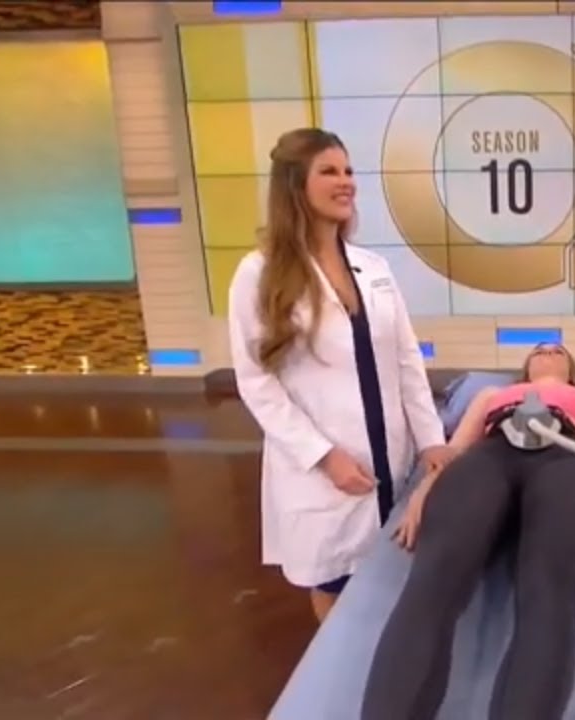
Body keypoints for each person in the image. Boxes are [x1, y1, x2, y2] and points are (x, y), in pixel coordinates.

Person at [227, 128, 453, 623]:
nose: (346, 181)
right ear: (294, 185)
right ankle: (341, 669)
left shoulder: (373, 267)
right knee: (335, 581)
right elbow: (257, 382)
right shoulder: (258, 273)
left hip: (392, 458)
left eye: (348, 170)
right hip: (324, 469)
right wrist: (323, 456)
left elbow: (406, 360)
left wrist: (432, 441)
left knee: (393, 572)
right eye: (329, 171)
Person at [360, 342, 575, 720]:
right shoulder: (491, 394)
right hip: (488, 460)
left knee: (550, 590)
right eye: (540, 350)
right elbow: (456, 448)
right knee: (433, 578)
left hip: (570, 461)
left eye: (558, 351)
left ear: (573, 370)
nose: (549, 352)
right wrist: (424, 491)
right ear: (525, 368)